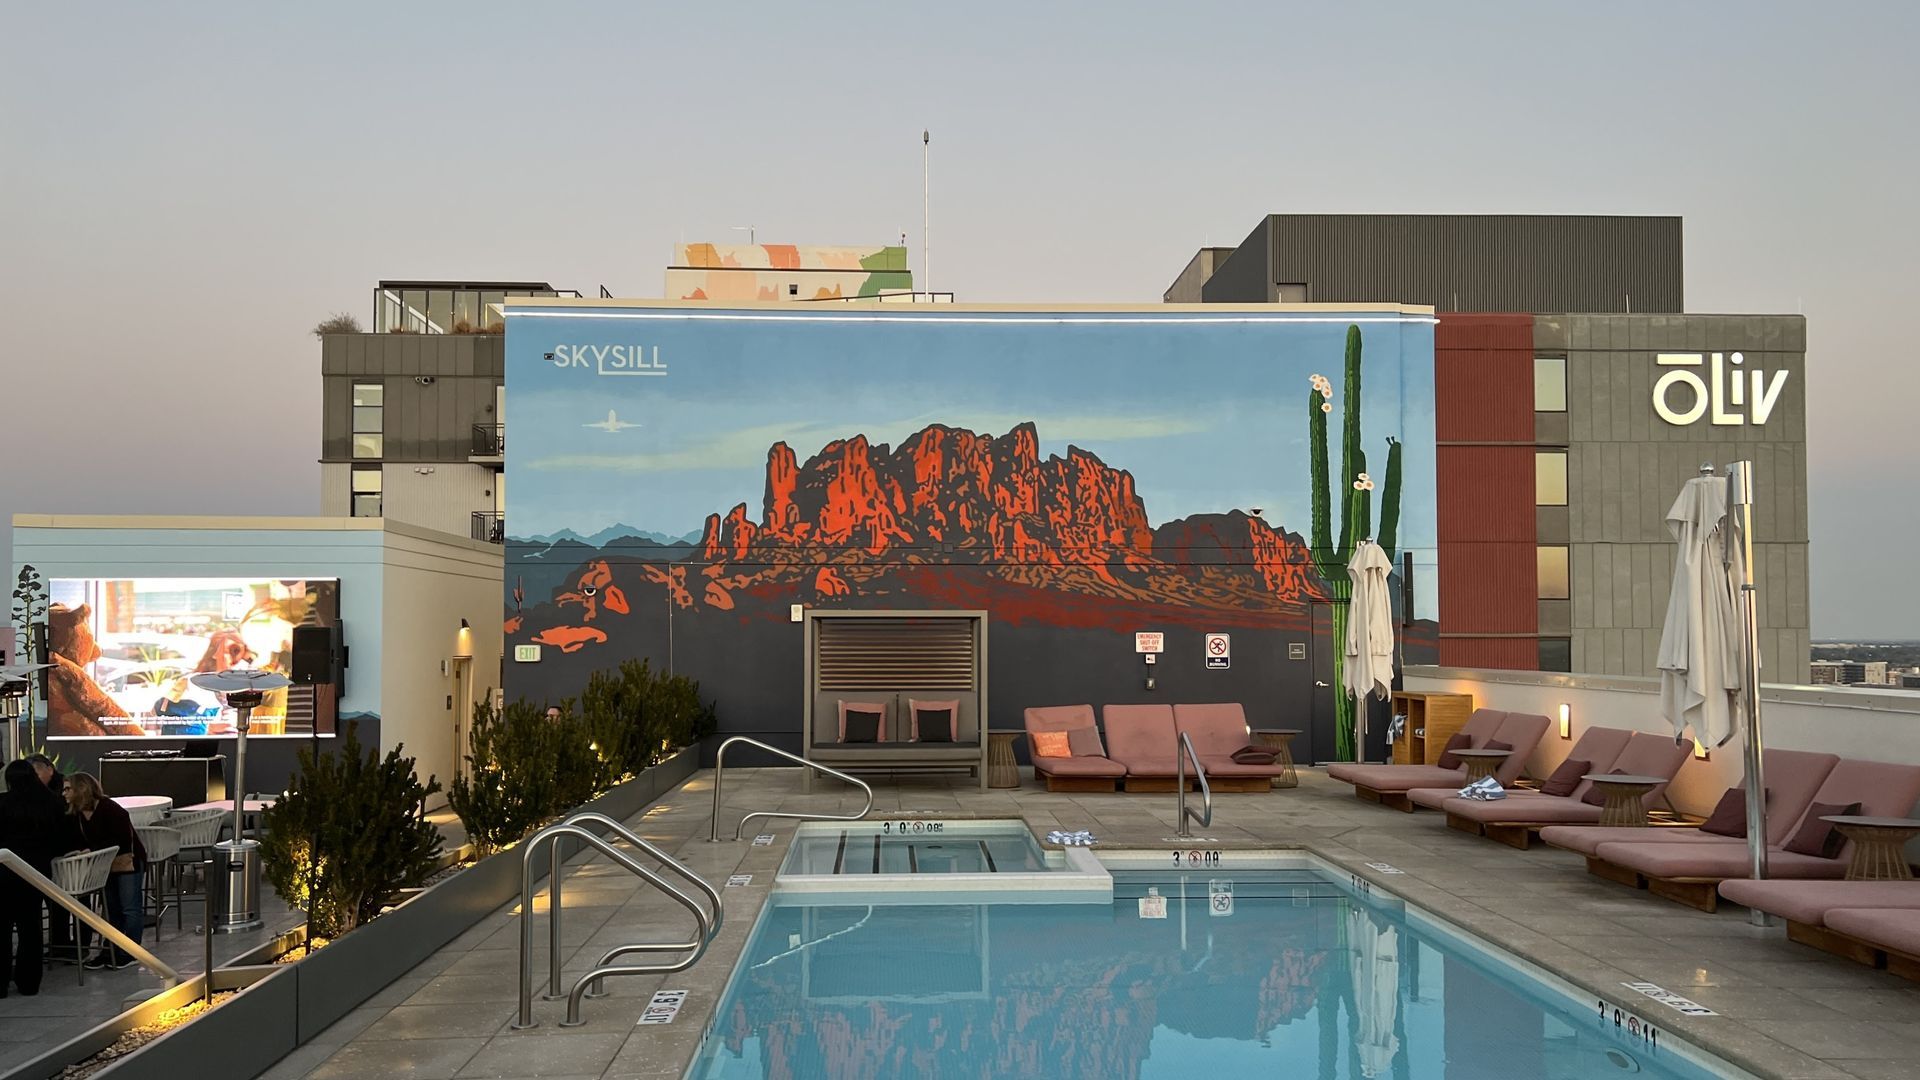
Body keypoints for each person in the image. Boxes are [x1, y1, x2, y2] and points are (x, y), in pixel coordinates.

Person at [64, 773, 147, 970]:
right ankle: (110, 950)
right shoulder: (77, 814)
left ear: (81, 789)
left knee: (129, 907)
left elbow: (123, 839)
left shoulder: (110, 809)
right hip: (105, 865)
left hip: (128, 861)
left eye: (68, 789)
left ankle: (130, 951)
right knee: (111, 909)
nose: (64, 793)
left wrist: (93, 849)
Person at [0, 760, 67, 995]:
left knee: (3, 926)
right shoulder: (52, 803)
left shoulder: (3, 803)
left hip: (5, 871)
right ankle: (29, 982)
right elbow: (61, 840)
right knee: (31, 926)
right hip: (37, 871)